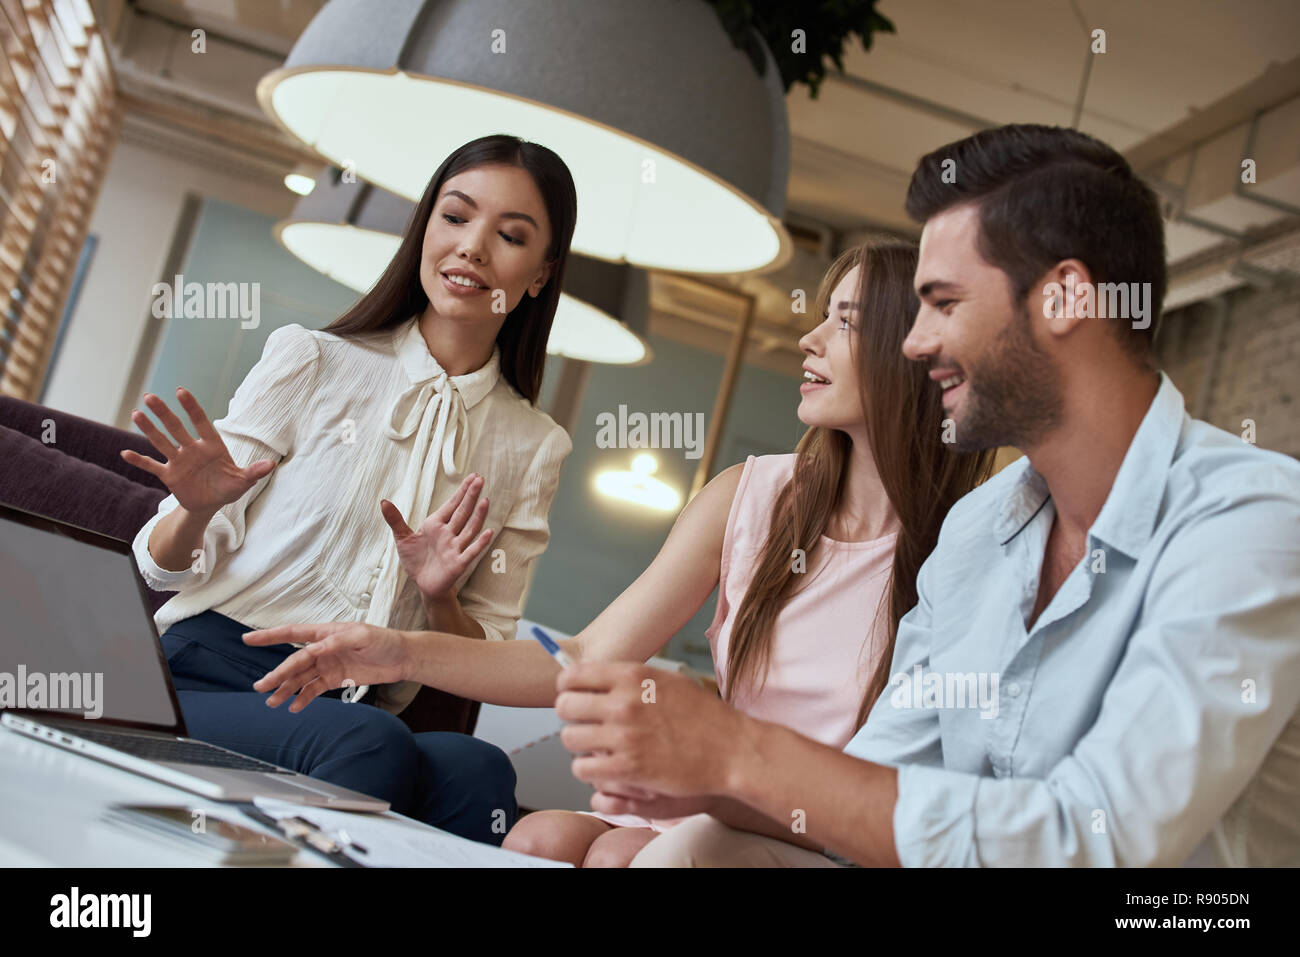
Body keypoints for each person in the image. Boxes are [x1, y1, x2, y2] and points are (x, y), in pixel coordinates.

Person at [538, 123, 1300, 867]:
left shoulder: (1249, 522)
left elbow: (1098, 838)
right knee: (697, 849)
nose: (911, 342)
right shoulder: (976, 534)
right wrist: (693, 775)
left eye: (942, 302)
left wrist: (739, 752)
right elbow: (871, 797)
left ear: (1065, 299)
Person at [241, 236, 996, 865]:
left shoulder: (967, 553)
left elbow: (910, 791)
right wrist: (397, 650)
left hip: (821, 829)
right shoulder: (752, 495)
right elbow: (583, 657)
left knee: (650, 856)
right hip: (709, 809)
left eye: (848, 322)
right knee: (539, 838)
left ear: (915, 353)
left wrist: (705, 794)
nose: (810, 337)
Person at [122, 134, 577, 844]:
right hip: (204, 671)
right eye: (455, 217)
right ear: (426, 227)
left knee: (476, 769)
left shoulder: (535, 446)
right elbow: (157, 565)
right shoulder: (312, 359)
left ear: (541, 274)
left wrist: (438, 596)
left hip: (349, 700)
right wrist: (197, 509)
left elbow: (480, 659)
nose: (473, 248)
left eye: (510, 235)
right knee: (371, 744)